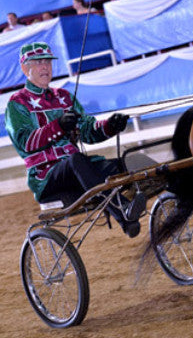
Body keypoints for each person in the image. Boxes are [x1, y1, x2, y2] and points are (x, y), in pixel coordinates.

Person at [4, 42, 145, 237]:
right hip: (46, 175)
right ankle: (124, 214)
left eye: (47, 62)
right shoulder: (17, 103)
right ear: (24, 68)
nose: (45, 67)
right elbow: (25, 142)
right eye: (37, 63)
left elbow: (87, 130)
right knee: (76, 160)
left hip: (79, 169)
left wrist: (110, 125)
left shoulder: (65, 97)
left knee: (127, 162)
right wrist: (59, 125)